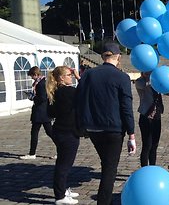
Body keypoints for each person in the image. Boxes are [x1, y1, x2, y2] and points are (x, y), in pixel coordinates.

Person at [76, 42, 136, 205]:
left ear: (103, 57)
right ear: (118, 57)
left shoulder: (88, 75)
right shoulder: (122, 77)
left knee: (106, 163)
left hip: (93, 128)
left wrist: (81, 124)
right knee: (110, 170)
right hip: (113, 129)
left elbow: (79, 101)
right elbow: (126, 108)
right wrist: (132, 134)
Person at [46, 66, 81, 205]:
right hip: (68, 132)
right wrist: (79, 78)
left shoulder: (55, 91)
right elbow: (85, 93)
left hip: (60, 130)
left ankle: (63, 189)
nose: (71, 77)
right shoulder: (68, 91)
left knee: (63, 162)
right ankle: (59, 196)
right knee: (64, 165)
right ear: (61, 78)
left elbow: (51, 113)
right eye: (69, 75)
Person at [20, 66, 53, 160]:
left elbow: (42, 98)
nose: (31, 78)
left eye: (32, 76)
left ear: (35, 74)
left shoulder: (41, 84)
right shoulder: (42, 82)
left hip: (41, 112)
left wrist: (32, 97)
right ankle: (32, 153)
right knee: (47, 132)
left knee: (41, 132)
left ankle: (32, 153)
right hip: (42, 112)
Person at [135, 72, 164, 167]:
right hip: (146, 116)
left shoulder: (157, 81)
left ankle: (152, 167)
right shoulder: (140, 81)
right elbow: (145, 86)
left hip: (157, 116)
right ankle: (144, 168)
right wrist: (150, 79)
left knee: (155, 145)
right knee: (147, 145)